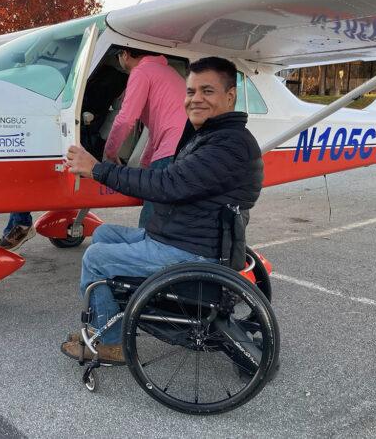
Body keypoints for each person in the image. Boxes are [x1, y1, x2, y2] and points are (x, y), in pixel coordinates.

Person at [60, 57, 264, 363]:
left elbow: (167, 184)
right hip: (181, 236)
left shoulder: (226, 145)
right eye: (191, 91)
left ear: (230, 96)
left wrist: (98, 169)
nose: (196, 99)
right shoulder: (209, 136)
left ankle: (113, 343)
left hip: (192, 250)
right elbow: (169, 180)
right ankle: (109, 315)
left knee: (95, 258)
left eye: (207, 91)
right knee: (104, 233)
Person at [104, 46, 188, 228]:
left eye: (118, 56)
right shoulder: (167, 71)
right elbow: (156, 130)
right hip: (188, 149)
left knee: (150, 223)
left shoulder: (141, 72)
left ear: (125, 55)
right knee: (172, 218)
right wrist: (145, 165)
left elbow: (126, 119)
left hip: (171, 152)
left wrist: (109, 153)